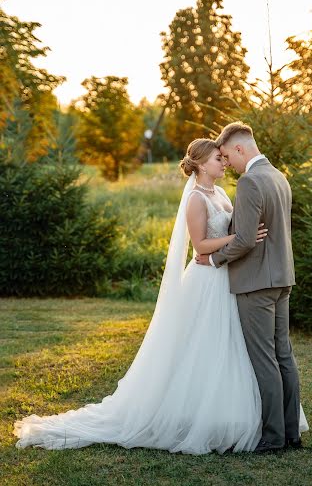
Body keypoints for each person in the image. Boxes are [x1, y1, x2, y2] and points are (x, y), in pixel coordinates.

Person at [14, 139, 273, 454]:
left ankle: (224, 413)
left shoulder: (219, 193)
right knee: (200, 346)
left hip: (223, 278)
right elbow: (201, 246)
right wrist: (241, 237)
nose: (224, 163)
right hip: (205, 280)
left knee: (224, 345)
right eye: (218, 158)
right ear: (202, 164)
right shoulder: (194, 199)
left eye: (224, 157)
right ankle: (189, 414)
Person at [196, 122, 307, 453]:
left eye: (228, 155)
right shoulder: (278, 176)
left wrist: (214, 261)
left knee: (264, 359)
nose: (228, 162)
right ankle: (291, 434)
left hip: (256, 284)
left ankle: (273, 438)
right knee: (283, 355)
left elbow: (245, 240)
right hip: (282, 278)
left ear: (240, 148)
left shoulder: (250, 182)